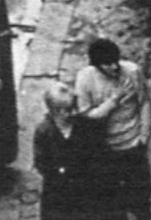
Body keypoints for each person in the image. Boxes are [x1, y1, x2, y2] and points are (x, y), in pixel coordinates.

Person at [75, 39, 151, 220]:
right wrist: (113, 102)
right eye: (107, 64)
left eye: (115, 61)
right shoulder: (85, 79)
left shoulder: (132, 71)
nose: (114, 67)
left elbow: (144, 103)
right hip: (107, 150)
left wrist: (144, 136)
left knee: (142, 196)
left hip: (134, 145)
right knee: (112, 202)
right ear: (96, 64)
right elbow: (86, 115)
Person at [33, 83, 106, 220]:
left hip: (84, 189)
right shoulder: (44, 132)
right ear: (57, 112)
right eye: (69, 109)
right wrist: (59, 171)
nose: (74, 112)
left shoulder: (84, 126)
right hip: (58, 193)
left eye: (74, 107)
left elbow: (96, 153)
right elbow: (41, 162)